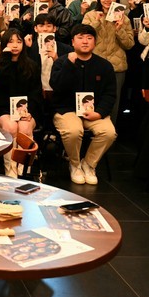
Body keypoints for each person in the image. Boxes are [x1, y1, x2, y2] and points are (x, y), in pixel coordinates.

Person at [50, 24, 117, 185]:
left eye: (89, 38)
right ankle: (74, 165)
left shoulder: (104, 65)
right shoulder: (62, 62)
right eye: (80, 38)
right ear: (73, 42)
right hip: (67, 110)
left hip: (94, 112)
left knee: (108, 132)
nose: (85, 41)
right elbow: (57, 87)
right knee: (74, 131)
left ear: (95, 42)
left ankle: (88, 164)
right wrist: (69, 65)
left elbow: (110, 94)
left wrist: (99, 113)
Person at [0, 29, 42, 177]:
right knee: (11, 127)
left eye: (18, 41)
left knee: (24, 127)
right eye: (10, 42)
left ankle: (24, 169)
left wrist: (29, 112)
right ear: (4, 44)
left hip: (27, 109)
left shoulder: (32, 65)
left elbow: (36, 92)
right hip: (2, 108)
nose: (15, 45)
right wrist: (6, 58)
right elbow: (0, 83)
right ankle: (10, 169)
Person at [82, 0, 135, 124]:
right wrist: (97, 22)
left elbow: (129, 44)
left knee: (113, 103)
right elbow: (83, 38)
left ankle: (110, 133)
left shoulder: (124, 18)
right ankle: (92, 132)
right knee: (92, 101)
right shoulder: (90, 15)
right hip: (94, 65)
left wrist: (119, 29)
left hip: (116, 67)